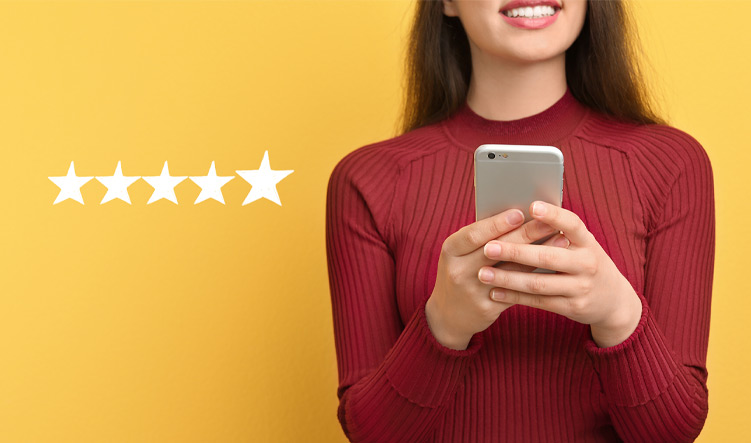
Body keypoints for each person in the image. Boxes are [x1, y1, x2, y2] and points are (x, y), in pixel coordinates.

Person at [325, 0, 715, 441]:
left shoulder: (671, 165)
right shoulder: (368, 181)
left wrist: (617, 314)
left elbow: (673, 432)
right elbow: (370, 433)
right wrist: (445, 324)